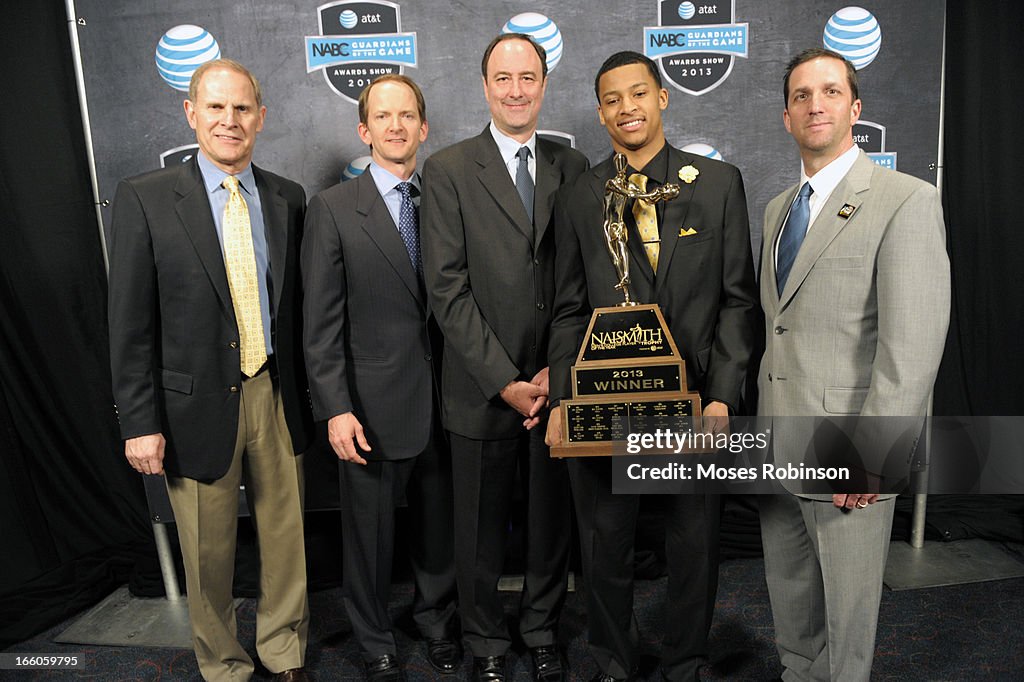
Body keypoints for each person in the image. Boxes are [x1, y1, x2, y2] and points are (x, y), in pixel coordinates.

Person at [546, 51, 759, 681]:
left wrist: (722, 396)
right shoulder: (581, 197)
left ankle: (686, 662)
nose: (626, 108)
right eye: (612, 99)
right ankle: (612, 659)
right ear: (599, 112)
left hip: (693, 403)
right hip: (607, 403)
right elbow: (567, 311)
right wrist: (563, 399)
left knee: (692, 546)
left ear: (662, 98)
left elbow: (737, 302)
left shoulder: (718, 183)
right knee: (604, 545)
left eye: (638, 94)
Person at [108, 59, 311, 681]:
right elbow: (129, 325)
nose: (230, 121)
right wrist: (139, 422)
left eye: (242, 109)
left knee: (286, 541)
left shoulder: (287, 197)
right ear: (191, 114)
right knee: (207, 549)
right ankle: (223, 662)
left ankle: (283, 649)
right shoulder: (145, 198)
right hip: (191, 405)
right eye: (216, 108)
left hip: (275, 392)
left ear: (261, 117)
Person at [756, 48, 950, 681]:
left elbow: (913, 345)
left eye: (831, 92)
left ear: (855, 108)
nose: (816, 104)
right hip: (779, 440)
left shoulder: (905, 200)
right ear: (785, 115)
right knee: (792, 601)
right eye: (802, 95)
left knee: (847, 615)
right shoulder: (777, 208)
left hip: (849, 450)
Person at [420, 33, 589, 682]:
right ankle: (486, 642)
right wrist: (506, 382)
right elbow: (447, 288)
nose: (516, 89)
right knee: (480, 532)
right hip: (480, 386)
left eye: (528, 77)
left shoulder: (572, 167)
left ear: (544, 84)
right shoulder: (451, 170)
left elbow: (583, 279)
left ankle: (542, 628)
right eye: (503, 78)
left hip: (557, 383)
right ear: (485, 86)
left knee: (551, 525)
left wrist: (555, 372)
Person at [301, 74, 460, 681]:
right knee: (368, 536)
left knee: (439, 526)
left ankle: (437, 622)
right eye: (383, 117)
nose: (397, 127)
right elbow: (320, 324)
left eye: (408, 116)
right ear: (364, 131)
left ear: (424, 127)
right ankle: (375, 641)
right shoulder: (334, 210)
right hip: (366, 405)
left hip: (445, 399)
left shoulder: (446, 201)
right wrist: (335, 407)